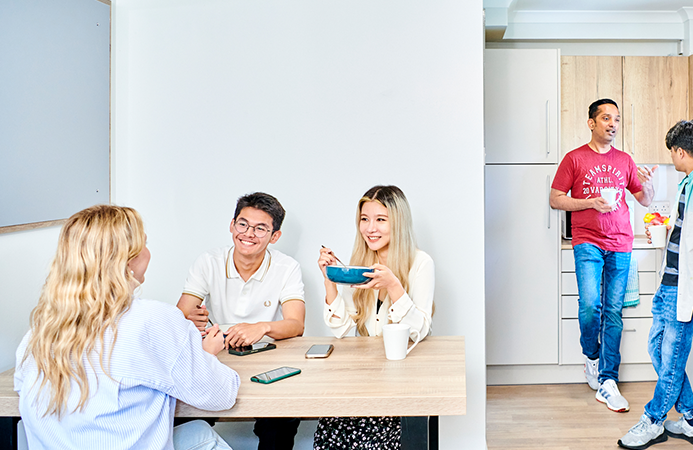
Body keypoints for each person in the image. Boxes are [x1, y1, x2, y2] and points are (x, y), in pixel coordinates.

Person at [14, 205, 239, 450]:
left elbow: (20, 384)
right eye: (144, 243)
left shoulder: (42, 329)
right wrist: (206, 355)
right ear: (129, 259)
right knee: (202, 435)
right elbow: (221, 395)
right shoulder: (155, 319)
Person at [619, 120, 693, 449]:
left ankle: (653, 420)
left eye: (672, 153)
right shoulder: (690, 181)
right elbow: (689, 224)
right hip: (671, 281)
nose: (671, 159)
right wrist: (665, 229)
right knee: (658, 349)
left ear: (680, 151)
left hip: (691, 284)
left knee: (671, 357)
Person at [550, 98, 657, 413]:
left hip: (621, 242)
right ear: (591, 123)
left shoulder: (625, 160)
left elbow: (644, 200)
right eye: (606, 118)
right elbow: (556, 199)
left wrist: (649, 186)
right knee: (590, 306)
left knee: (613, 311)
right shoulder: (574, 159)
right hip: (587, 241)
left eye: (617, 119)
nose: (612, 124)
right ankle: (591, 356)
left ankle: (608, 379)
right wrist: (589, 203)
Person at [176, 192, 306, 450]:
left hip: (268, 360)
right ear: (232, 225)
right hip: (216, 357)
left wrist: (263, 327)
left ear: (274, 236)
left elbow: (296, 325)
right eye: (243, 224)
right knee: (186, 409)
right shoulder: (209, 261)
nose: (248, 233)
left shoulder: (287, 267)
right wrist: (189, 319)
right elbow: (179, 315)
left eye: (260, 228)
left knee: (281, 419)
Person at [315, 185, 435, 450]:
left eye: (381, 220)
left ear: (398, 222)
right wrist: (331, 280)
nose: (370, 228)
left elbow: (420, 331)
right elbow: (343, 331)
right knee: (328, 433)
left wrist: (394, 286)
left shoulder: (420, 263)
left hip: (403, 379)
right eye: (364, 219)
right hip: (363, 377)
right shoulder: (359, 263)